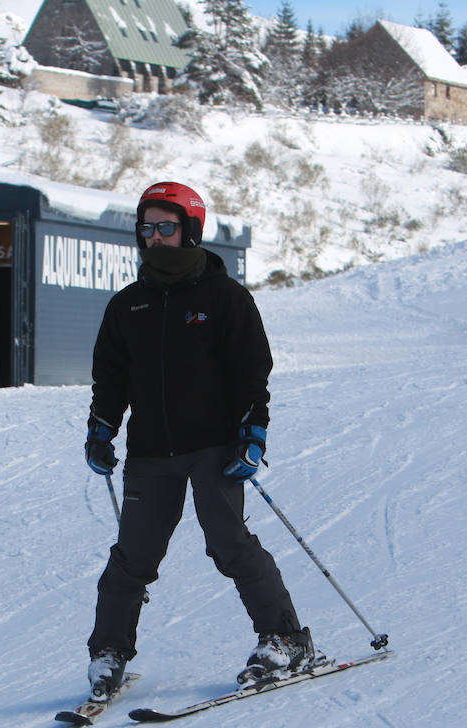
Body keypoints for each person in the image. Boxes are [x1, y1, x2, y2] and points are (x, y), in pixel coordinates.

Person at [81, 181, 317, 700]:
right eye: (147, 228)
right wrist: (102, 428)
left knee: (229, 544)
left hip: (215, 447)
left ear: (190, 230)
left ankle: (285, 638)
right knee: (132, 556)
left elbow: (253, 372)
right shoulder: (128, 306)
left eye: (166, 227)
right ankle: (109, 652)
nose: (155, 237)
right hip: (149, 452)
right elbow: (111, 376)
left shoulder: (224, 297)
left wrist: (253, 433)